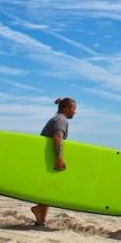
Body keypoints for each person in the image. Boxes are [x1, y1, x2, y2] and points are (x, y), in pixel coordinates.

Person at [31, 97, 77, 226]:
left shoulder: (57, 119)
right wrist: (59, 157)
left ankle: (40, 219)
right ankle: (38, 210)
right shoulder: (61, 120)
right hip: (50, 157)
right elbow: (57, 137)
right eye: (74, 109)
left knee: (48, 187)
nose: (75, 112)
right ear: (67, 108)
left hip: (46, 157)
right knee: (51, 186)